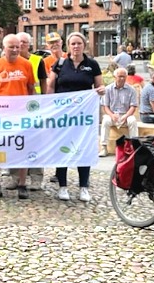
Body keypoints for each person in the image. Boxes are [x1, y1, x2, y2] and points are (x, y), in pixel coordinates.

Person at [46, 32, 104, 202]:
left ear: (84, 45)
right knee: (62, 148)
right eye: (73, 44)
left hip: (83, 116)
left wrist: (101, 90)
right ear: (68, 46)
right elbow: (50, 87)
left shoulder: (92, 64)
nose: (76, 46)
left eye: (79, 43)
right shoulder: (60, 63)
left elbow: (99, 86)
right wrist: (50, 108)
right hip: (63, 115)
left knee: (83, 148)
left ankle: (83, 187)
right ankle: (63, 186)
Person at [0, 34, 36, 200]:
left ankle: (22, 184)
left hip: (21, 115)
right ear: (3, 47)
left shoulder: (27, 65)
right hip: (0, 115)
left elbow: (31, 88)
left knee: (22, 148)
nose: (15, 50)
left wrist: (31, 109)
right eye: (11, 47)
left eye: (17, 47)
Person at [14, 32, 47, 191]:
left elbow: (43, 83)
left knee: (34, 142)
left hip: (34, 107)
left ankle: (36, 177)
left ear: (29, 45)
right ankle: (13, 176)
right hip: (15, 108)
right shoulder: (9, 60)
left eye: (24, 43)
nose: (21, 45)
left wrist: (44, 102)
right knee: (14, 142)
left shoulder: (37, 61)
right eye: (18, 42)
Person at [100, 67, 139, 156]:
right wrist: (112, 115)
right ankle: (104, 147)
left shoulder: (131, 89)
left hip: (126, 113)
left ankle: (134, 146)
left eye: (124, 76)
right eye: (120, 76)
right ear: (115, 77)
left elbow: (133, 106)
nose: (122, 79)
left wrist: (126, 115)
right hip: (112, 114)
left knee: (132, 121)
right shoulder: (108, 89)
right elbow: (105, 106)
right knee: (105, 120)